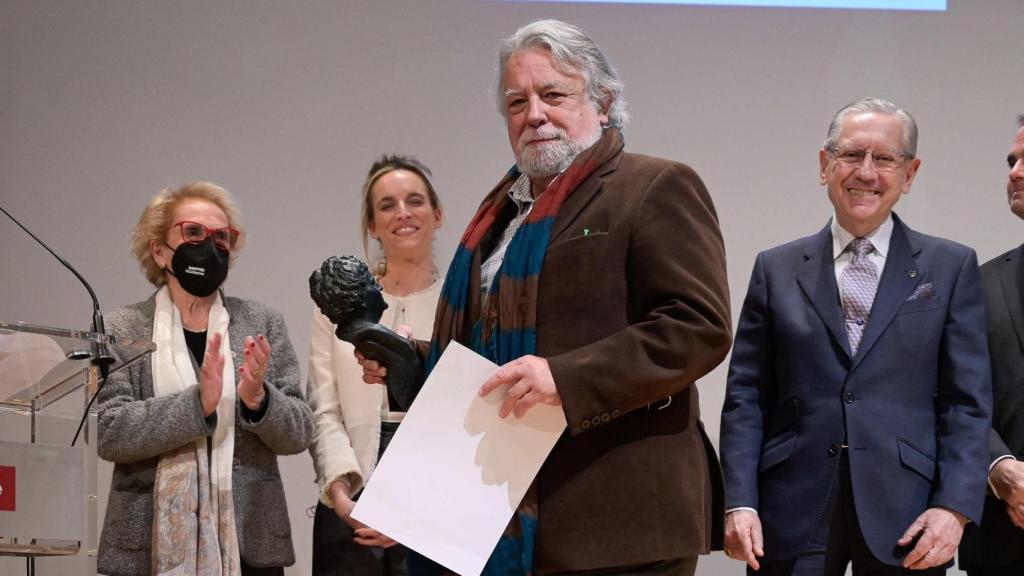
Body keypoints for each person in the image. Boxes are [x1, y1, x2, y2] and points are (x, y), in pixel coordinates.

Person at [359, 19, 732, 576]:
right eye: (517, 102)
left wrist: (567, 377)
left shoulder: (654, 185)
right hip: (497, 509)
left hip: (618, 521)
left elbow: (697, 326)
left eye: (553, 94)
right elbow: (494, 344)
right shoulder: (500, 215)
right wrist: (413, 363)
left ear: (602, 102)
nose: (534, 114)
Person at [720, 97, 992, 575]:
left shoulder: (949, 267)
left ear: (909, 175)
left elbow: (966, 404)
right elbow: (747, 395)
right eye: (850, 155)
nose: (865, 172)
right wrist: (738, 500)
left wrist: (955, 508)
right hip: (792, 506)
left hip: (909, 512)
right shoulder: (776, 268)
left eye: (884, 159)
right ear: (825, 166)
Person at [95, 181, 314, 576]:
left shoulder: (261, 323)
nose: (210, 247)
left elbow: (299, 432)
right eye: (193, 232)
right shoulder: (120, 328)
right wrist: (197, 405)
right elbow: (111, 431)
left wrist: (258, 400)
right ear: (159, 251)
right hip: (145, 550)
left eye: (222, 237)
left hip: (249, 550)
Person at [307, 155, 444, 576]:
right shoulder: (340, 310)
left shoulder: (462, 301)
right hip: (351, 493)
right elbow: (324, 409)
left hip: (436, 500)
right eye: (386, 205)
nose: (402, 213)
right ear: (372, 224)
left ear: (437, 215)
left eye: (414, 200)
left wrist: (411, 506)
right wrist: (342, 491)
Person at [958, 115, 1024, 575]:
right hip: (1005, 536)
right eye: (1012, 160)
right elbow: (956, 395)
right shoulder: (979, 283)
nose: (1015, 172)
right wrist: (998, 467)